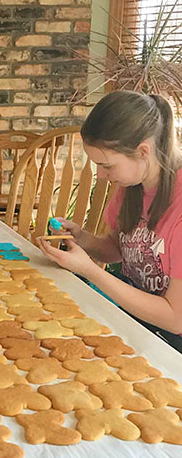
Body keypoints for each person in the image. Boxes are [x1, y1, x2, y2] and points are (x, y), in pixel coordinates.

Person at [36, 90, 182, 351]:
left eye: (107, 165)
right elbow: (118, 250)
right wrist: (79, 237)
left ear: (143, 152)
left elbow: (174, 319)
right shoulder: (132, 184)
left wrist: (90, 270)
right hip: (133, 316)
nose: (101, 175)